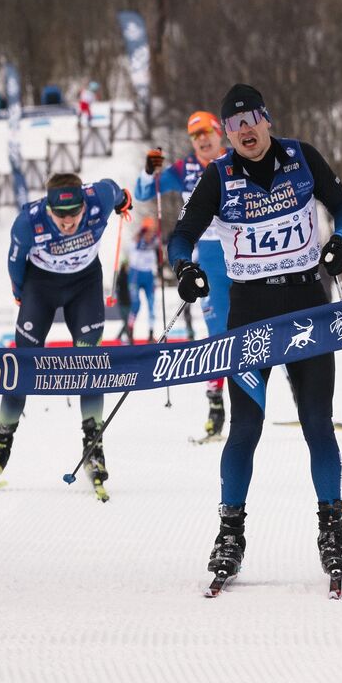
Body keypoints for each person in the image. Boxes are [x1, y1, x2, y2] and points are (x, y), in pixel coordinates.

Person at [168, 84, 342, 590]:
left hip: (307, 309)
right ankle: (230, 532)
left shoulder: (301, 157)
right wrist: (184, 268)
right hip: (250, 316)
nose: (245, 131)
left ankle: (332, 530)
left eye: (252, 120)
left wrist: (340, 243)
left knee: (317, 423)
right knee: (245, 428)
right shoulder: (219, 176)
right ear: (227, 135)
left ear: (267, 120)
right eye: (234, 126)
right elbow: (181, 235)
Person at [0, 172, 132, 491]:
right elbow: (14, 262)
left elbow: (117, 192)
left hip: (84, 285)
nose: (68, 222)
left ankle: (93, 443)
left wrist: (124, 201)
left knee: (89, 362)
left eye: (75, 213)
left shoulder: (98, 197)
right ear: (48, 208)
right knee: (24, 363)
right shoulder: (28, 221)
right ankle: (1, 442)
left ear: (83, 204)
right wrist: (21, 293)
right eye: (60, 215)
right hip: (41, 288)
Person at [137, 110, 232, 438]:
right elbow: (143, 192)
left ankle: (296, 393)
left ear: (219, 133)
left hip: (246, 255)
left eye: (207, 132)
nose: (202, 139)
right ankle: (216, 404)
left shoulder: (238, 159)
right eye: (195, 136)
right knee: (216, 332)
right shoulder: (186, 168)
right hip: (208, 258)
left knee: (266, 321)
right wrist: (149, 170)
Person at [126, 216, 160, 340]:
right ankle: (130, 330)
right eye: (147, 231)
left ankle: (151, 334)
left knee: (151, 304)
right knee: (136, 305)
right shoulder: (136, 241)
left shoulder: (155, 241)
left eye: (152, 232)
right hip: (135, 275)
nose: (150, 235)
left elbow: (159, 251)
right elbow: (134, 248)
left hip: (148, 276)